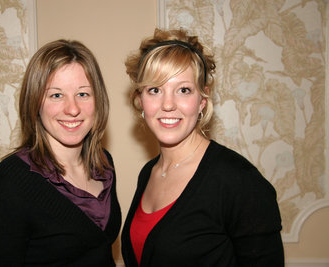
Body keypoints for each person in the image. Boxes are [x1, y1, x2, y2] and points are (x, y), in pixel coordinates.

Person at [121, 28, 284, 267]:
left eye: (183, 90)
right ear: (140, 100)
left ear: (202, 101)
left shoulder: (240, 182)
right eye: (155, 90)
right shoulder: (148, 173)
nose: (168, 104)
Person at [0, 39, 121, 266]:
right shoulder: (5, 186)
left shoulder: (104, 165)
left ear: (98, 100)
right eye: (56, 95)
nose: (72, 109)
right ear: (35, 104)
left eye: (83, 94)